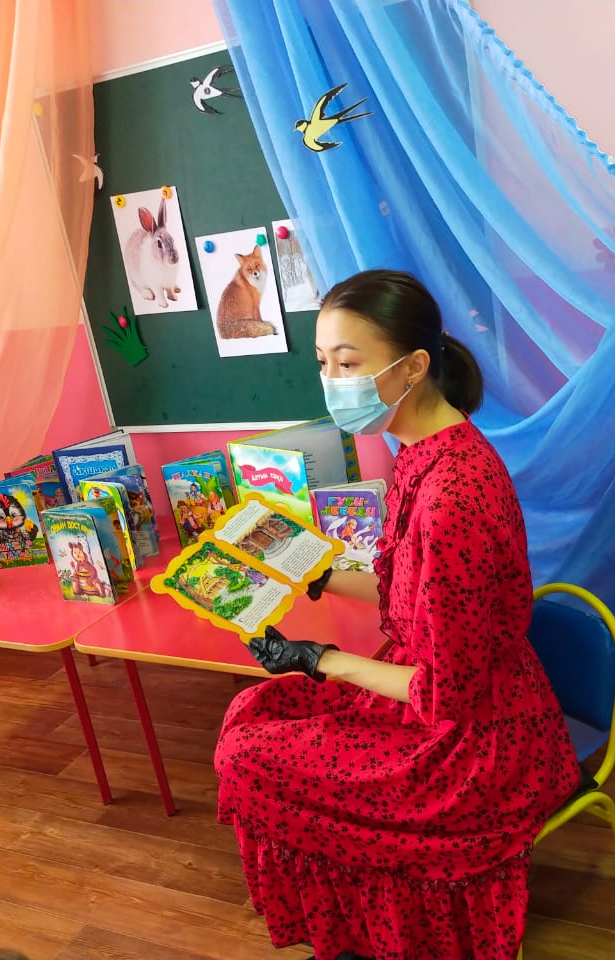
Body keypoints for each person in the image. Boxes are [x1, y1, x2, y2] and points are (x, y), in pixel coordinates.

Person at [214, 271, 582, 960]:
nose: (332, 382)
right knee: (254, 713)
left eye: (348, 364)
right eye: (323, 363)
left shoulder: (452, 498)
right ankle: (362, 925)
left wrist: (319, 660)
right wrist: (314, 572)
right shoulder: (426, 451)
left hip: (472, 745)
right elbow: (410, 590)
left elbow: (445, 693)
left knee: (248, 754)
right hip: (447, 695)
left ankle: (372, 934)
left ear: (412, 367)